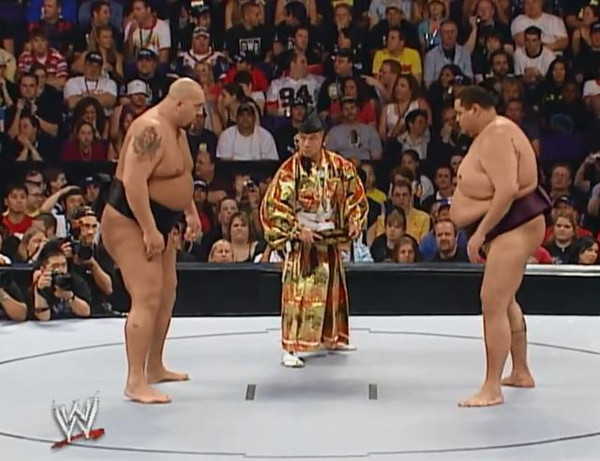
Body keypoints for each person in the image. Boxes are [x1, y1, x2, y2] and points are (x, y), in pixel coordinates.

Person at [100, 78, 204, 404]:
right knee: (146, 296)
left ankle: (155, 366)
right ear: (179, 104)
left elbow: (180, 176)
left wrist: (190, 212)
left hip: (162, 220)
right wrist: (148, 228)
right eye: (197, 108)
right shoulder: (151, 130)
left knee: (167, 290)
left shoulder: (178, 131)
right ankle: (135, 381)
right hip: (130, 220)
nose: (200, 114)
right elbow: (133, 182)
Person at [450, 86, 552, 407]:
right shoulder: (493, 133)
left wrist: (480, 233)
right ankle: (520, 372)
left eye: (460, 112)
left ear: (476, 109)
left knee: (492, 302)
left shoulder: (496, 133)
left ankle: (491, 387)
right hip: (510, 225)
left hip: (514, 224)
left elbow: (507, 189)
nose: (457, 119)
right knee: (505, 300)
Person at [260, 109, 368, 368]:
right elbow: (273, 206)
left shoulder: (340, 166)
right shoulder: (289, 170)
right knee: (299, 293)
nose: (306, 144)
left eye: (312, 139)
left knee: (332, 289)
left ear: (323, 139)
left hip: (329, 233)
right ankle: (291, 346)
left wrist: (354, 220)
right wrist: (296, 229)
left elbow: (355, 196)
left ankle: (333, 337)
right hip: (302, 237)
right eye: (303, 139)